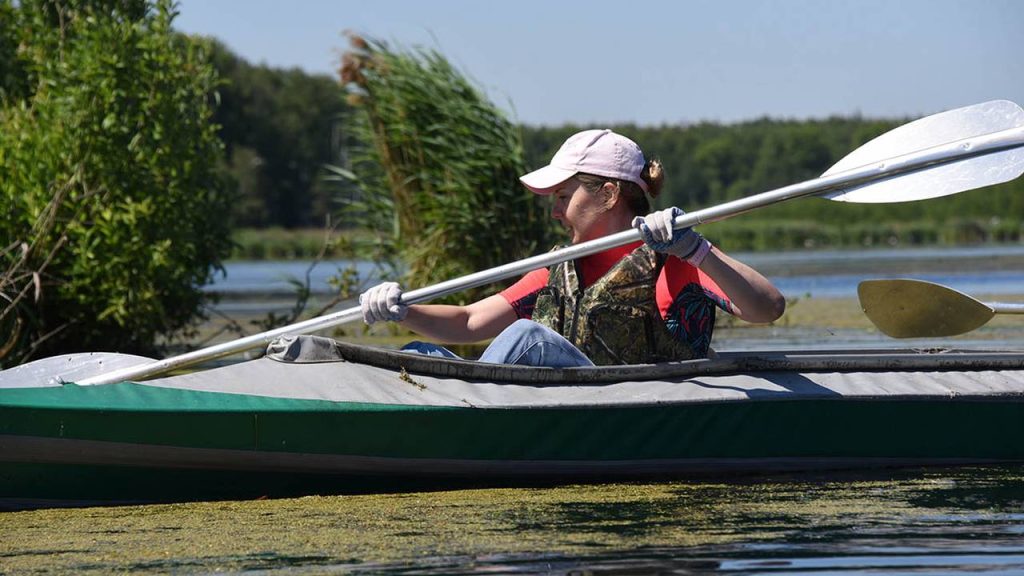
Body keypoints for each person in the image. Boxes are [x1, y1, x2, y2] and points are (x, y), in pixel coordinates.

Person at [359, 129, 785, 367]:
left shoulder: (675, 261)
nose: (554, 212)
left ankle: (463, 419)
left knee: (530, 338)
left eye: (563, 197)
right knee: (421, 355)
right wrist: (403, 310)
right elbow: (469, 322)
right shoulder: (555, 270)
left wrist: (696, 249)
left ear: (607, 194)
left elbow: (767, 308)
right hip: (563, 411)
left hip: (633, 412)